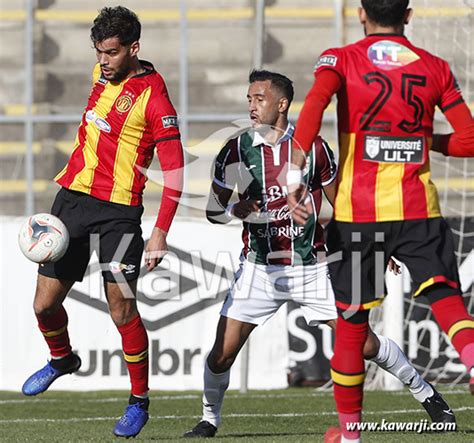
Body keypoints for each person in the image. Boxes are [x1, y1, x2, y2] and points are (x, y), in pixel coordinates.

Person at [183, 70, 453, 439]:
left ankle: (427, 395)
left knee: (365, 344)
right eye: (248, 99)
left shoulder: (315, 149)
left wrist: (376, 244)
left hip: (312, 268)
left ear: (281, 104)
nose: (251, 105)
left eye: (258, 98)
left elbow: (341, 206)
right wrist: (236, 210)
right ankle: (209, 420)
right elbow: (214, 211)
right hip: (260, 270)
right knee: (221, 354)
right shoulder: (235, 150)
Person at [288, 1, 474, 441]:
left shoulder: (341, 59)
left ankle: (350, 435)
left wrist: (295, 171)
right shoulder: (436, 67)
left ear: (360, 14)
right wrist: (425, 141)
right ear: (408, 15)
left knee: (352, 323)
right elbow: (468, 139)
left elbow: (315, 103)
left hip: (359, 215)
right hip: (418, 209)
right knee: (447, 300)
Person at [21, 6, 183, 439]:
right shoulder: (100, 73)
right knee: (43, 305)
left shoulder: (155, 98)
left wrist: (161, 231)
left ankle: (139, 402)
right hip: (71, 202)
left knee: (122, 306)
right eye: (99, 52)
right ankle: (62, 359)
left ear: (134, 48)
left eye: (112, 53)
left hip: (120, 215)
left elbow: (176, 168)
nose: (104, 61)